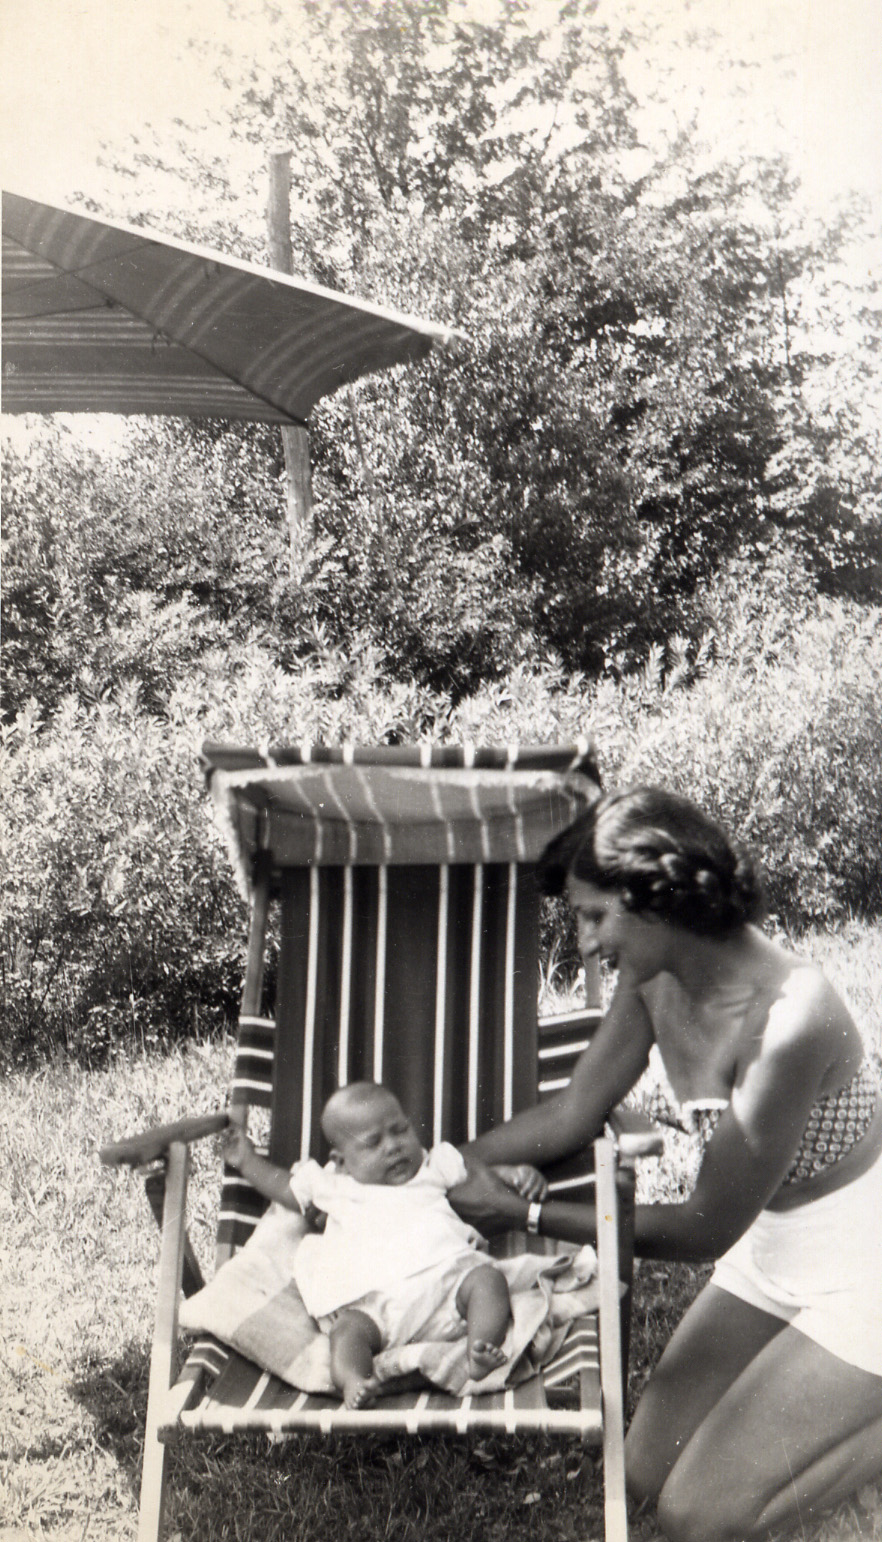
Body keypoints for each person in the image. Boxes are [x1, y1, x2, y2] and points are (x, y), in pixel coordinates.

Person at [447, 785, 882, 1542]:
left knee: (695, 1516)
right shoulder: (651, 978)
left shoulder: (790, 1017)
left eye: (593, 916)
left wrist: (527, 1214)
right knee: (644, 1472)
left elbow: (702, 1228)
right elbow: (573, 1112)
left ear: (658, 897)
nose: (584, 942)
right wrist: (444, 1166)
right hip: (772, 1247)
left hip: (864, 1265)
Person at [223, 1080, 546, 1408]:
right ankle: (354, 1380)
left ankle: (479, 1349)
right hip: (374, 1305)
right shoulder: (332, 1185)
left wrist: (511, 1174)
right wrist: (246, 1160)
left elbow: (476, 1175)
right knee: (347, 1331)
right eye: (373, 1142)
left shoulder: (432, 1168)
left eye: (401, 1130)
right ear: (341, 1161)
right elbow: (285, 1188)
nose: (393, 1146)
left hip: (445, 1288)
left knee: (488, 1281)